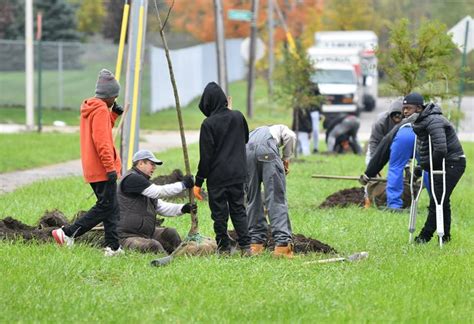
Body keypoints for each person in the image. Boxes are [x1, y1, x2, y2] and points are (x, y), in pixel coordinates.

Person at [52, 69, 124, 256]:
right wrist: (110, 167)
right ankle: (67, 233)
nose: (115, 100)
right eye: (115, 96)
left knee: (111, 208)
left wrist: (113, 116)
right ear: (108, 95)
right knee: (106, 206)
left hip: (94, 166)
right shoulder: (100, 109)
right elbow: (102, 141)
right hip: (102, 168)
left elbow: (101, 130)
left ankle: (113, 247)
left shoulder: (94, 107)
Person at [193, 82, 251, 255]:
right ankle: (246, 248)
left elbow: (206, 156)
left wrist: (198, 181)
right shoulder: (238, 117)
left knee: (219, 214)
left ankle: (224, 248)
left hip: (217, 178)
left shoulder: (208, 124)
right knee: (239, 210)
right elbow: (246, 139)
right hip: (238, 174)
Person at [408, 93, 466, 243]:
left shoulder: (434, 121)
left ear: (419, 108)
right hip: (442, 163)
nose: (405, 112)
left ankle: (424, 237)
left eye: (408, 108)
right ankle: (445, 237)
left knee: (437, 199)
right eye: (404, 108)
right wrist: (421, 167)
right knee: (442, 200)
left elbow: (441, 149)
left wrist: (424, 165)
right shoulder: (421, 123)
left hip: (452, 162)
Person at [116, 150, 196, 254]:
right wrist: (183, 185)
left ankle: (183, 256)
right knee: (153, 246)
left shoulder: (144, 183)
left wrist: (182, 208)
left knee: (171, 233)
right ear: (140, 163)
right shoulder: (131, 179)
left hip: (146, 234)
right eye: (151, 164)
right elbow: (158, 192)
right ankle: (169, 262)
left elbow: (160, 207)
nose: (154, 167)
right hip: (126, 236)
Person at [360, 96, 419, 211]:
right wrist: (374, 167)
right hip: (380, 146)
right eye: (394, 115)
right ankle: (368, 198)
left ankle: (404, 195)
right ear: (389, 114)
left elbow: (406, 146)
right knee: (372, 174)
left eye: (400, 115)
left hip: (400, 145)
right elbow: (375, 143)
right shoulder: (380, 122)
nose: (397, 118)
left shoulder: (407, 122)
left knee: (402, 171)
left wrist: (407, 167)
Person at [246, 124, 296, 258]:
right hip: (267, 151)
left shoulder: (253, 133)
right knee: (276, 198)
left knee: (252, 198)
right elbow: (291, 136)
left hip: (246, 153)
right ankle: (282, 246)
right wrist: (286, 159)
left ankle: (256, 244)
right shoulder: (279, 128)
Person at [366, 99, 403, 165]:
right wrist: (373, 162)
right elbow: (374, 142)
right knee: (370, 163)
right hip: (380, 142)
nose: (397, 116)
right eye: (394, 114)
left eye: (399, 113)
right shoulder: (380, 122)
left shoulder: (406, 120)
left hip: (398, 144)